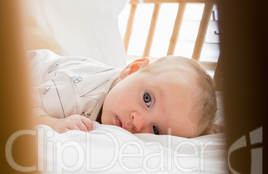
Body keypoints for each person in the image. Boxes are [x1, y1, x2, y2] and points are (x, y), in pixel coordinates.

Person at [28, 49, 221, 138]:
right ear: (132, 69)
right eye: (147, 99)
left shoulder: (127, 92)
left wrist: (203, 129)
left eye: (156, 130)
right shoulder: (74, 93)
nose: (138, 123)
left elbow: (177, 118)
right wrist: (53, 122)